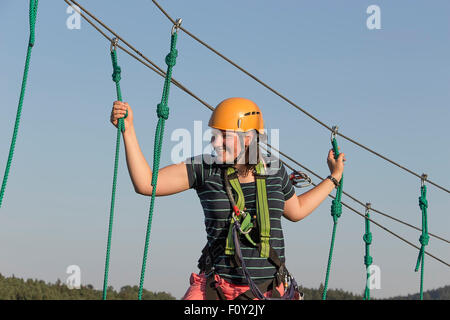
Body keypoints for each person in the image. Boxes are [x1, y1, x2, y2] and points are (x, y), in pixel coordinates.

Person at [110, 97, 346, 300]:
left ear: (249, 138)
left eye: (224, 135)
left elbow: (298, 210)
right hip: (216, 286)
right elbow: (146, 184)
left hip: (267, 289)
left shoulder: (275, 169)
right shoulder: (204, 168)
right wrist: (128, 130)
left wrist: (333, 177)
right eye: (214, 135)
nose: (215, 142)